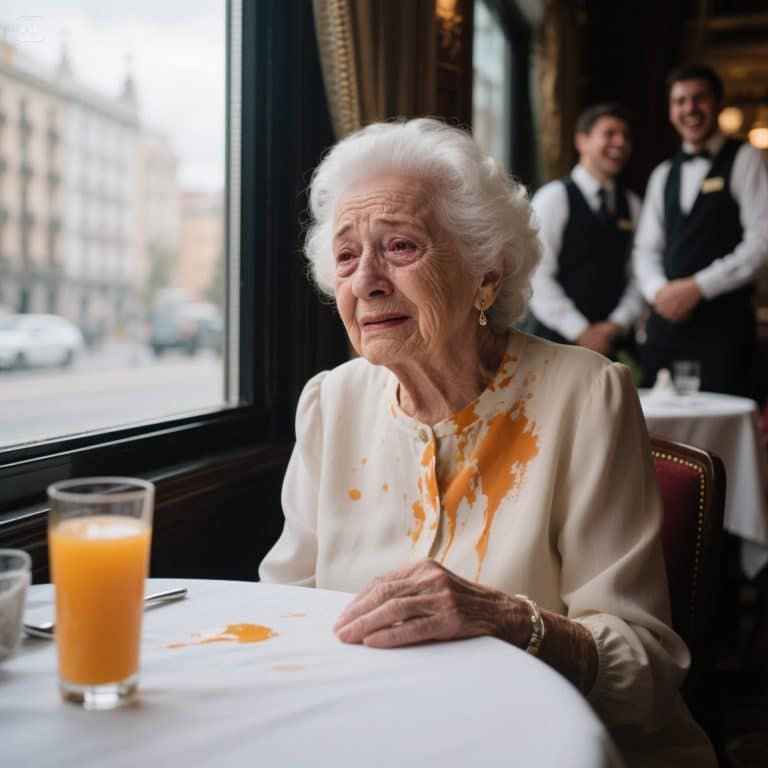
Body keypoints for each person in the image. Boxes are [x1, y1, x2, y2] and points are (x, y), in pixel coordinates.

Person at [259, 118, 715, 767]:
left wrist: (511, 621)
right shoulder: (330, 403)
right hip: (365, 733)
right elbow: (286, 610)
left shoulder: (584, 395)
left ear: (487, 276)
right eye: (346, 256)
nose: (366, 281)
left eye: (401, 246)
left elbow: (646, 669)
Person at [633, 64, 768, 395]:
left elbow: (762, 242)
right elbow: (646, 249)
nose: (689, 108)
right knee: (656, 433)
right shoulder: (663, 174)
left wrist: (696, 288)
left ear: (718, 103)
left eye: (699, 99)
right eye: (680, 101)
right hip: (666, 327)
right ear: (670, 111)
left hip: (724, 327)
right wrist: (659, 293)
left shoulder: (746, 158)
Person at [529, 103, 643, 357]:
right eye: (610, 133)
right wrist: (581, 331)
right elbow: (536, 275)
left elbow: (637, 275)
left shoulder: (633, 205)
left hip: (614, 346)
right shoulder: (554, 197)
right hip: (554, 345)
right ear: (582, 141)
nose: (620, 142)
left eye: (626, 136)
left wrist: (616, 325)